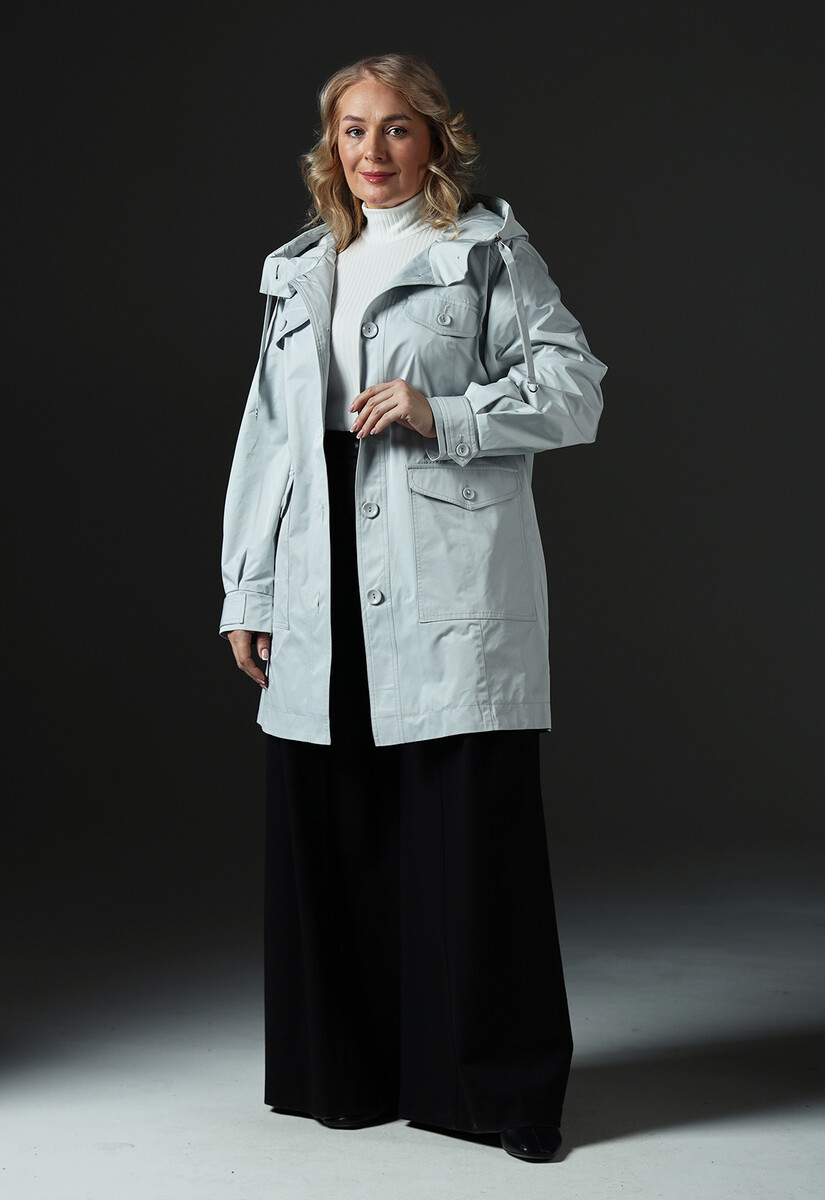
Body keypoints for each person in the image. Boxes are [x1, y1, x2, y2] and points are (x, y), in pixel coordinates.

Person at [219, 52, 607, 1163]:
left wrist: (447, 412)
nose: (372, 151)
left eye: (396, 128)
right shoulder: (302, 268)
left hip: (443, 565)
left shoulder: (485, 251)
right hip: (319, 567)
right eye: (352, 130)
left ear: (436, 137)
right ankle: (352, 1073)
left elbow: (575, 388)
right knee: (338, 820)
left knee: (469, 833)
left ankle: (502, 1094)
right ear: (330, 146)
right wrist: (248, 587)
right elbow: (268, 439)